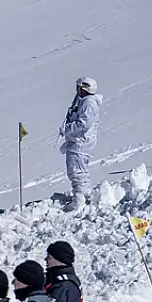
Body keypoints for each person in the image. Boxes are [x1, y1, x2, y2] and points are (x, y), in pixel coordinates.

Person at [58, 76, 102, 210]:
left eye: (79, 88)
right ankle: (86, 195)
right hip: (79, 142)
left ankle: (79, 200)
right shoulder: (85, 102)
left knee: (76, 171)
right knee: (80, 170)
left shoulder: (88, 103)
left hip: (80, 143)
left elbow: (83, 124)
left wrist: (67, 130)